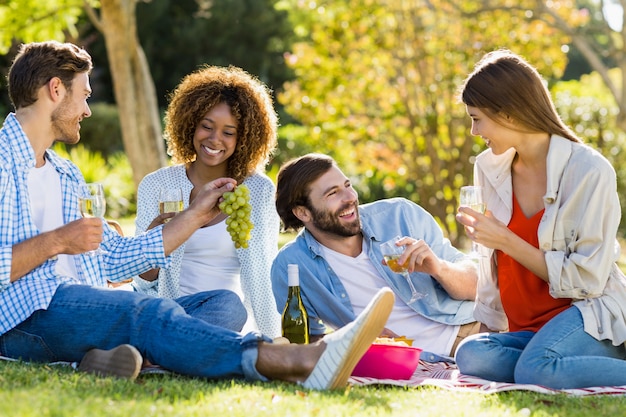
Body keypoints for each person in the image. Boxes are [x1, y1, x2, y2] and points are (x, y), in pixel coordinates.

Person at [0, 40, 396, 390]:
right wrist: (57, 242)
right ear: (55, 89)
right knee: (149, 312)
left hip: (82, 309)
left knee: (206, 306)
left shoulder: (66, 174)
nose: (87, 109)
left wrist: (193, 215)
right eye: (84, 95)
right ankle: (298, 360)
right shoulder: (2, 161)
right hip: (26, 316)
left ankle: (109, 358)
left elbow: (114, 260)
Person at [454, 49, 626, 389]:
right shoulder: (489, 168)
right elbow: (490, 264)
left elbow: (588, 280)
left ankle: (572, 358)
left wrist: (506, 239)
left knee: (535, 372)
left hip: (587, 316)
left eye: (477, 119)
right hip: (528, 329)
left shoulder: (588, 171)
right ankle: (561, 362)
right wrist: (490, 330)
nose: (475, 131)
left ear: (508, 115)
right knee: (471, 355)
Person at [272, 153, 479, 359]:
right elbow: (307, 341)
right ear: (303, 213)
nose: (350, 197)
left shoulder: (401, 215)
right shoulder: (291, 266)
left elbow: (476, 286)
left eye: (347, 185)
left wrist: (439, 268)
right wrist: (354, 338)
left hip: (470, 332)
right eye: (333, 193)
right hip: (399, 362)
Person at [132, 65, 280, 337]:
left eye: (228, 132)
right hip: (165, 310)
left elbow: (263, 275)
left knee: (229, 306)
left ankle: (157, 351)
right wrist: (152, 245)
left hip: (222, 316)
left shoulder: (258, 191)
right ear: (190, 124)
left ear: (245, 137)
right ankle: (173, 347)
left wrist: (274, 339)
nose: (214, 139)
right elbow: (142, 286)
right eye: (206, 126)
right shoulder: (156, 185)